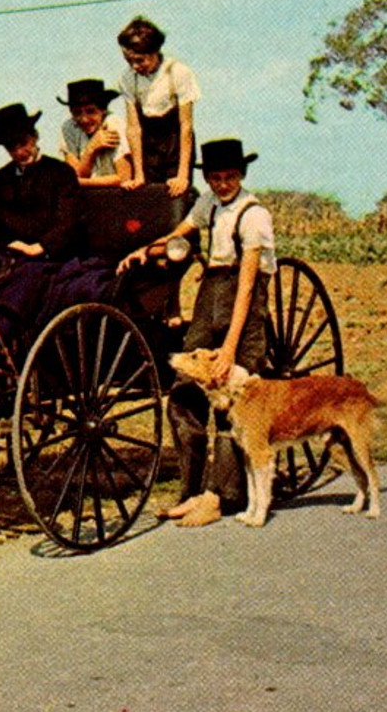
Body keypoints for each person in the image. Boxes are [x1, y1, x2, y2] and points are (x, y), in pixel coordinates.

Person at [116, 138, 274, 527]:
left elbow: (248, 286)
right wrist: (146, 250)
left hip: (243, 302)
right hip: (211, 291)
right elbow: (181, 234)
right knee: (185, 389)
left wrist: (229, 350)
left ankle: (222, 496)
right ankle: (191, 490)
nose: (223, 184)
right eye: (216, 177)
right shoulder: (208, 203)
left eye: (230, 177)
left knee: (233, 402)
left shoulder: (254, 215)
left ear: (241, 175)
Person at [0, 103, 81, 339]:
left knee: (22, 280)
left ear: (34, 137)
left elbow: (68, 221)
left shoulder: (61, 173)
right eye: (13, 147)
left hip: (44, 259)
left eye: (24, 143)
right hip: (4, 257)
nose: (21, 151)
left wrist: (37, 248)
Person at [116, 16, 200, 199]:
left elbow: (186, 126)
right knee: (148, 199)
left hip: (175, 143)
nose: (135, 66)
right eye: (129, 61)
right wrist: (139, 175)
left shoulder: (177, 72)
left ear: (155, 51)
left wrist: (182, 175)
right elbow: (133, 128)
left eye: (140, 60)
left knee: (176, 197)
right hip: (149, 146)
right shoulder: (127, 79)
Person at [57, 78, 132, 187]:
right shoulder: (69, 128)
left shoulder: (114, 124)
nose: (84, 119)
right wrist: (91, 148)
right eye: (77, 113)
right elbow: (75, 174)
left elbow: (124, 177)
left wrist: (81, 183)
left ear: (103, 110)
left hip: (117, 196)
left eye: (90, 111)